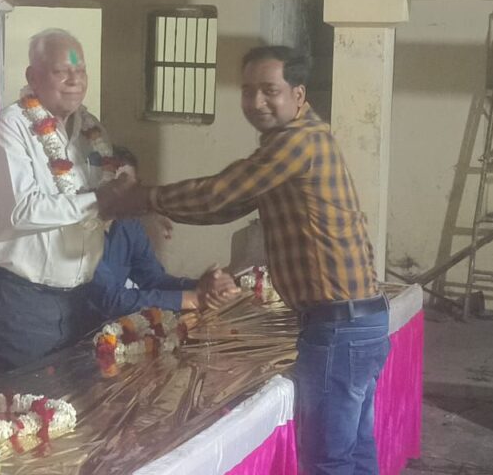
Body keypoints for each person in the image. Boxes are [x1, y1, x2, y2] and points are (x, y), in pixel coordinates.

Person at [98, 46, 389, 475]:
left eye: (270, 90)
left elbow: (220, 193)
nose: (256, 102)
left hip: (338, 328)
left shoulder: (298, 142)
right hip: (354, 323)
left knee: (329, 462)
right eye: (248, 91)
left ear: (298, 94)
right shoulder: (295, 144)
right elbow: (227, 206)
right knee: (353, 455)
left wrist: (142, 198)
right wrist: (150, 205)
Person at [0, 28, 127, 374]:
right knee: (27, 401)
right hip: (21, 302)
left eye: (80, 70)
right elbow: (23, 210)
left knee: (83, 400)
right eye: (62, 71)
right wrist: (100, 199)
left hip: (81, 299)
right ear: (33, 77)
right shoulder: (8, 128)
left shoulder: (91, 132)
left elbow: (106, 202)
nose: (75, 80)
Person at [89, 146, 239, 319]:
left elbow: (153, 280)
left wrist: (204, 289)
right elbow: (112, 300)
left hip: (109, 328)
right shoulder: (80, 231)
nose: (123, 196)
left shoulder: (129, 225)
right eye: (115, 186)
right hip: (79, 330)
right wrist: (192, 299)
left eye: (130, 188)